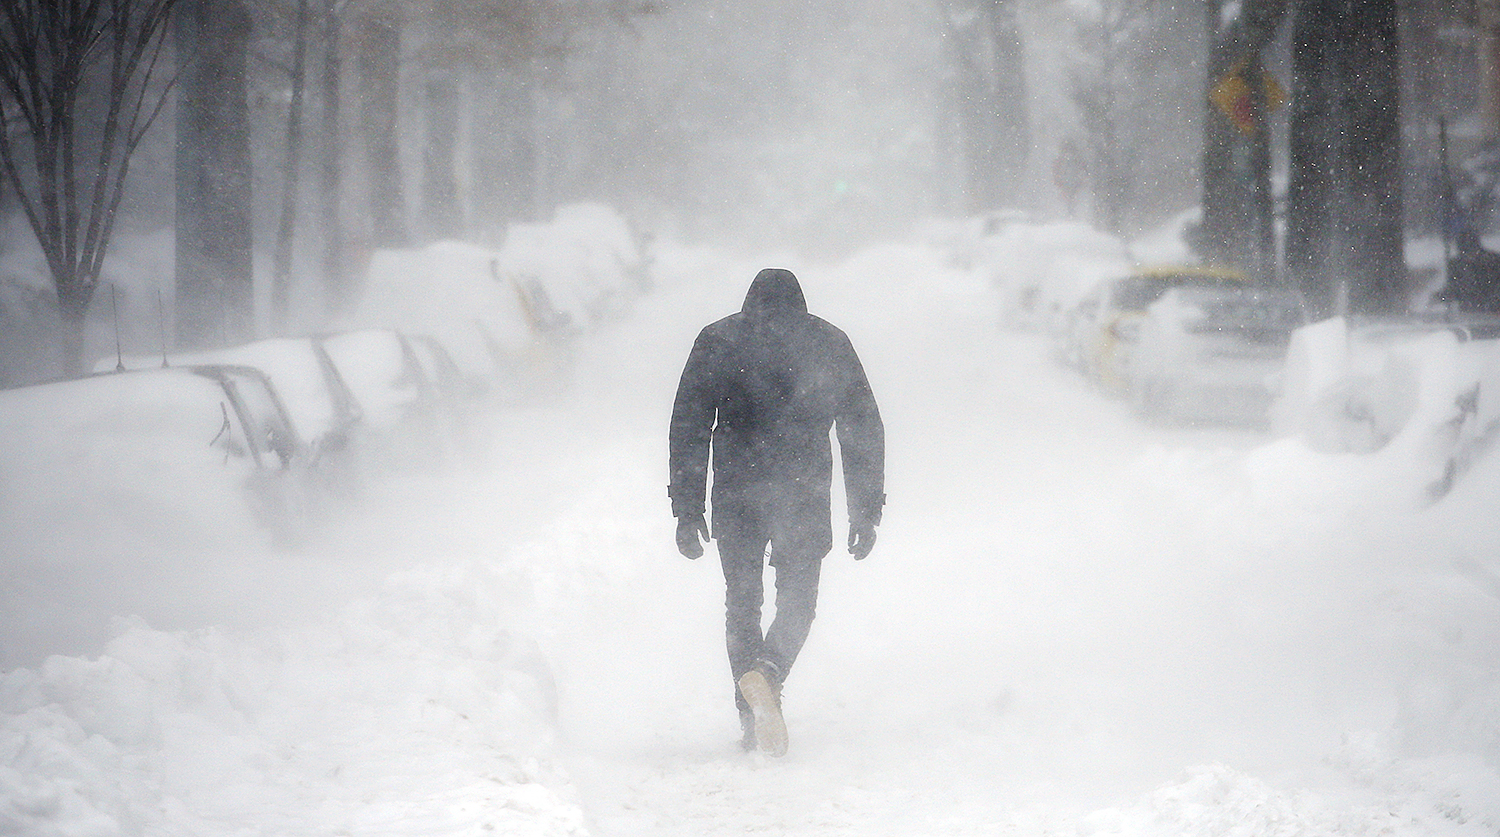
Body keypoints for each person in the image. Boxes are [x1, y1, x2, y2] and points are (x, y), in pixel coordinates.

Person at [668, 267, 885, 756]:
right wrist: (865, 510)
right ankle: (769, 672)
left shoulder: (718, 341)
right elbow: (861, 427)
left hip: (736, 491)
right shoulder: (829, 342)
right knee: (798, 603)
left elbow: (689, 426)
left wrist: (687, 509)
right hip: (803, 490)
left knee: (742, 603)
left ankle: (750, 716)